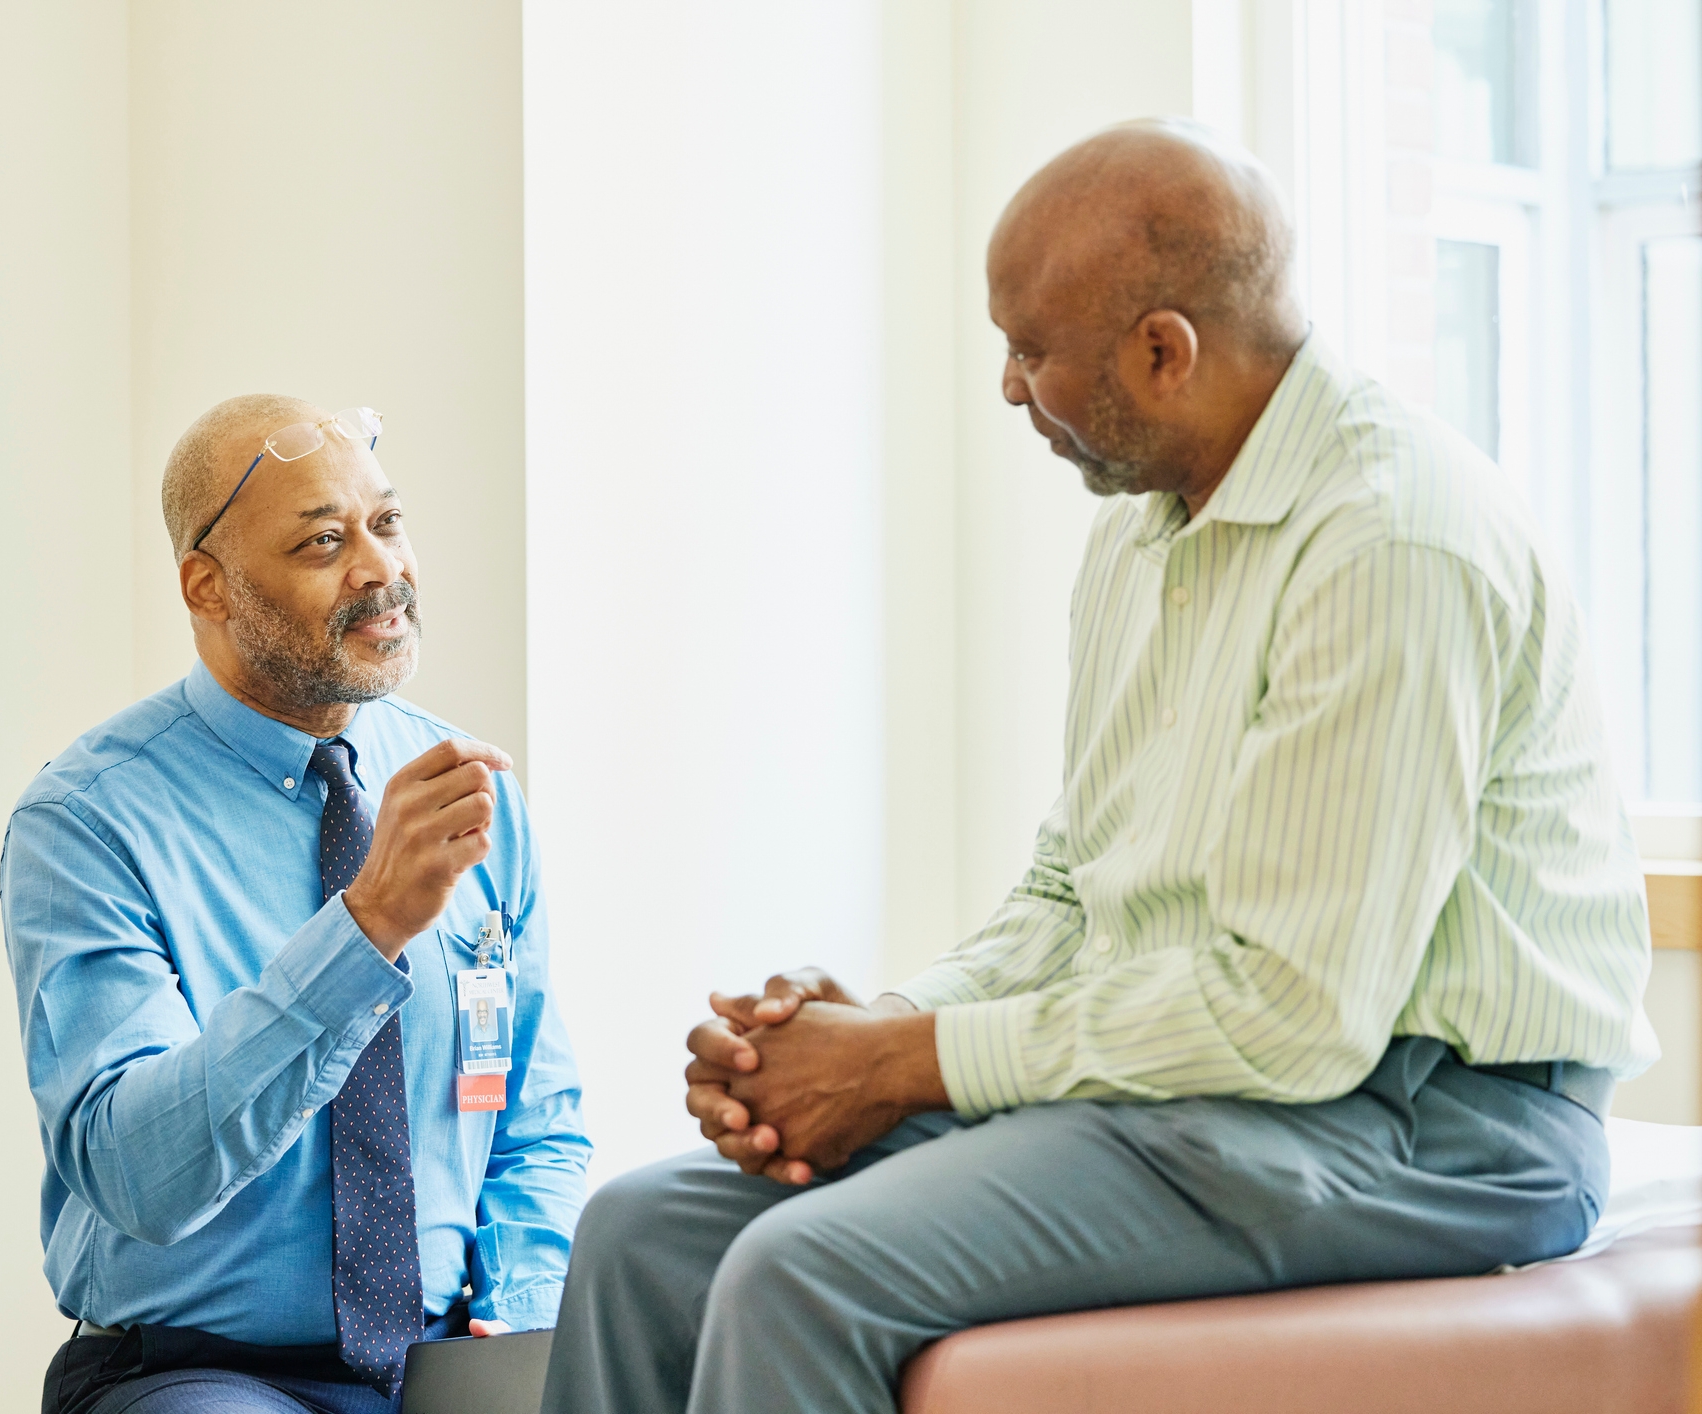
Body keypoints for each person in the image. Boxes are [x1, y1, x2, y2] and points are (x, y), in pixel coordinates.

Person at [539, 119, 1657, 1414]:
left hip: (1434, 1126)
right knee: (639, 1235)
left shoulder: (1391, 543)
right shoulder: (1142, 536)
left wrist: (906, 1062)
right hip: (1212, 1088)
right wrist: (870, 1030)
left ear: (1162, 352)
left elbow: (1292, 1014)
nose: (1010, 390)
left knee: (806, 1269)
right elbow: (1074, 891)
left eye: (1029, 352)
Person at [2, 395, 588, 1414]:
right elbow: (140, 1175)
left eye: (387, 523)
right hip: (196, 1370)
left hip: (449, 1363)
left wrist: (522, 1316)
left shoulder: (466, 789)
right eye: (323, 541)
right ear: (208, 586)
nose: (378, 568)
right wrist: (363, 930)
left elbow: (535, 1119)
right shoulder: (88, 820)